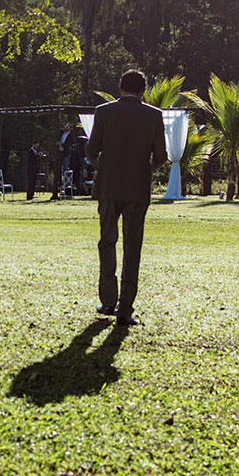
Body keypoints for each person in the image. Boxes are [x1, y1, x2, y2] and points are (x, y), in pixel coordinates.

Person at [85, 69, 167, 327]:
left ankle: (108, 300)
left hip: (108, 188)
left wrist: (104, 167)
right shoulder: (154, 115)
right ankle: (126, 308)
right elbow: (161, 156)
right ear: (144, 91)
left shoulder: (103, 111)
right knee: (133, 247)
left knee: (107, 241)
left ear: (120, 88)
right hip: (137, 189)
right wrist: (145, 169)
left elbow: (90, 151)